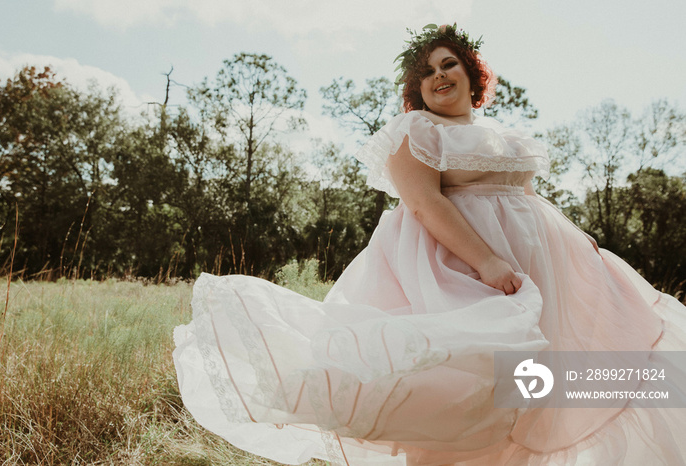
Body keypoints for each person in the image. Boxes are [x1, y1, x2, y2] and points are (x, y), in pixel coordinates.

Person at [173, 23, 686, 465]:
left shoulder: (508, 138)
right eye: (427, 71)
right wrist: (486, 261)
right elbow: (422, 202)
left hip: (539, 270)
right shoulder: (416, 130)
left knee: (533, 388)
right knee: (460, 386)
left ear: (471, 74)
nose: (439, 75)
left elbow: (528, 199)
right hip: (457, 271)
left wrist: (581, 243)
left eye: (449, 64)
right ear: (417, 88)